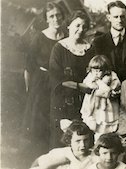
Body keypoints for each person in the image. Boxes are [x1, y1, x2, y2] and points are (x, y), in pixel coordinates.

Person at [22, 2, 65, 154]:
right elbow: (28, 67)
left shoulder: (67, 37)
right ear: (46, 19)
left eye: (58, 15)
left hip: (61, 84)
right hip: (41, 85)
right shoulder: (39, 38)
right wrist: (30, 91)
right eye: (51, 16)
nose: (56, 19)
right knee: (40, 124)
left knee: (57, 124)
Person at [49, 10, 94, 148]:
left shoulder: (89, 49)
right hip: (63, 103)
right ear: (68, 25)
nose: (81, 30)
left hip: (85, 105)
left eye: (84, 26)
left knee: (83, 144)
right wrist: (80, 86)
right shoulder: (59, 48)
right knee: (63, 144)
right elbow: (56, 79)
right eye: (77, 25)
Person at [93, 1, 126, 81]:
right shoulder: (99, 42)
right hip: (106, 87)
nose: (119, 20)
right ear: (109, 17)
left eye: (122, 17)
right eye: (116, 17)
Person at [81, 55, 121, 140]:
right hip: (93, 105)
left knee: (105, 125)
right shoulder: (91, 76)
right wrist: (94, 82)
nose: (96, 73)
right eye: (94, 70)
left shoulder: (112, 76)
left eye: (99, 71)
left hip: (107, 106)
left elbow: (109, 91)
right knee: (92, 123)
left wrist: (101, 83)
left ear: (106, 70)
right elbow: (87, 85)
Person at [31, 120, 95, 169]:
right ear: (69, 140)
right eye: (78, 141)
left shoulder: (95, 156)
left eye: (86, 140)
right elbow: (37, 163)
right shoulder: (61, 153)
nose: (83, 145)